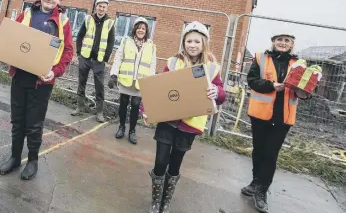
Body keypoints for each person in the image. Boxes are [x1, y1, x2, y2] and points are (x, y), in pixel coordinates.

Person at [0, 0, 74, 180]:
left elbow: (68, 51)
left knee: (34, 123)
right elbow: (7, 34)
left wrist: (55, 71)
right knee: (18, 120)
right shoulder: (26, 13)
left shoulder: (63, 22)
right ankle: (15, 157)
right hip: (20, 76)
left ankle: (32, 161)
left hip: (42, 81)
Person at [143, 22, 226, 213]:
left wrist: (217, 91)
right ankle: (155, 202)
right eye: (189, 40)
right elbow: (159, 89)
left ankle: (165, 202)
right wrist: (147, 110)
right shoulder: (173, 62)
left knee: (174, 165)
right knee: (161, 162)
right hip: (167, 121)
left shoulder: (212, 68)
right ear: (184, 42)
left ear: (204, 43)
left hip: (189, 126)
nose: (193, 45)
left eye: (197, 41)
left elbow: (222, 95)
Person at [241, 32, 308, 213]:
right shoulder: (261, 58)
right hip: (260, 115)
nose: (283, 43)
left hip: (282, 118)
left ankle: (262, 190)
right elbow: (252, 81)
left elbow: (305, 89)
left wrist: (305, 92)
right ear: (273, 42)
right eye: (279, 39)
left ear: (292, 44)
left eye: (287, 41)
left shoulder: (299, 65)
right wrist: (271, 86)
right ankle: (255, 183)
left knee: (270, 154)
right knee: (259, 151)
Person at [108, 17, 156, 144]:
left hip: (140, 83)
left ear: (147, 31)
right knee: (123, 103)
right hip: (126, 80)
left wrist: (150, 82)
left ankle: (132, 131)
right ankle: (121, 127)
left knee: (135, 106)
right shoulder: (126, 41)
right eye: (139, 28)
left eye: (143, 28)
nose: (141, 30)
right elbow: (118, 58)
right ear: (135, 29)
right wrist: (113, 74)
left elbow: (152, 65)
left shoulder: (151, 46)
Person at [71, 0, 115, 122]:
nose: (101, 9)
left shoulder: (110, 23)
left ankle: (99, 112)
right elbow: (79, 36)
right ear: (96, 6)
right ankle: (80, 107)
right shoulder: (88, 19)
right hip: (85, 57)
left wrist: (105, 58)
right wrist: (79, 53)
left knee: (99, 87)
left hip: (99, 60)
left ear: (107, 9)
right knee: (81, 83)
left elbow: (111, 42)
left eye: (104, 7)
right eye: (99, 6)